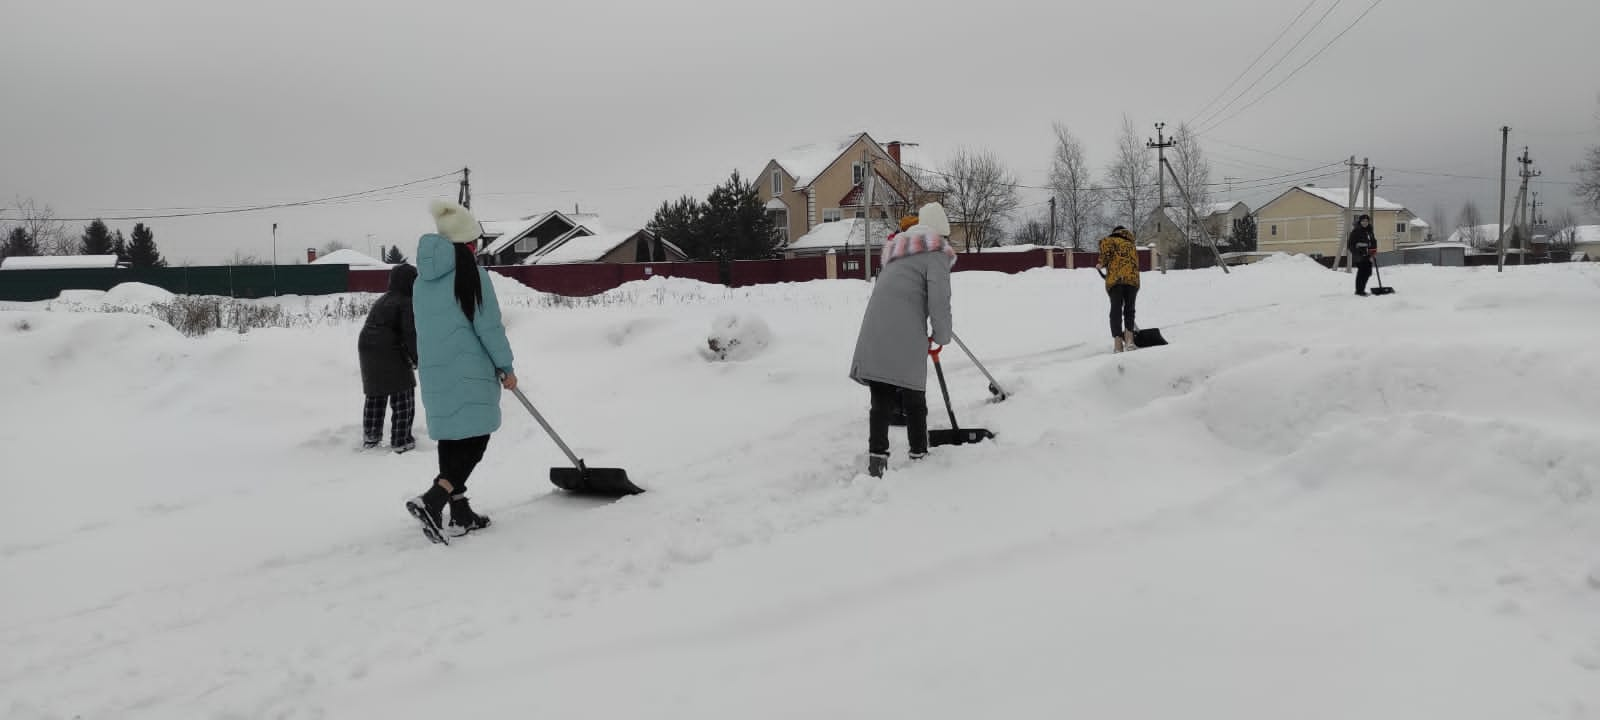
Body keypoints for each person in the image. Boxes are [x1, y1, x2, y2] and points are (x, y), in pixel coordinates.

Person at [404, 199, 518, 543]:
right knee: (477, 438)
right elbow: (489, 326)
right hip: (469, 370)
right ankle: (434, 498)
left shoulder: (420, 281)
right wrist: (505, 366)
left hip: (435, 371)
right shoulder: (471, 274)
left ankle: (460, 513)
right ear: (468, 243)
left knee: (454, 438)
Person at [849, 202, 955, 478]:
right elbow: (939, 300)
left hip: (875, 324)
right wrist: (941, 334)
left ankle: (877, 461)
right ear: (939, 233)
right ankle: (919, 454)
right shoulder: (935, 253)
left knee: (882, 395)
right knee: (913, 393)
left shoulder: (896, 251)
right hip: (906, 328)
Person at [357, 262, 419, 452]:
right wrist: (417, 358)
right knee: (403, 392)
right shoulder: (406, 301)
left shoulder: (385, 299)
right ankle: (402, 440)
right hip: (389, 349)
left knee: (376, 392)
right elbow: (410, 333)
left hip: (367, 347)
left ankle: (371, 436)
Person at [1096, 225, 1141, 352]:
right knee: (1129, 309)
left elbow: (1105, 255)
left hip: (1116, 280)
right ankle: (1129, 340)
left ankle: (1118, 344)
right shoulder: (1131, 245)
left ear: (1115, 232)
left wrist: (1100, 264)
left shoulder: (1110, 240)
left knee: (1116, 309)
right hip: (1132, 280)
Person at [1348, 213, 1377, 296]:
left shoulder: (1370, 231)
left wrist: (1373, 253)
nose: (1365, 222)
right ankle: (1359, 291)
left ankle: (1361, 290)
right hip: (1359, 256)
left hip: (1368, 255)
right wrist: (1358, 252)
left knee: (1368, 272)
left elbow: (1374, 242)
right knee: (1362, 272)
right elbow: (1350, 245)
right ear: (1360, 222)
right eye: (1363, 221)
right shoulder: (1356, 231)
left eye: (1366, 221)